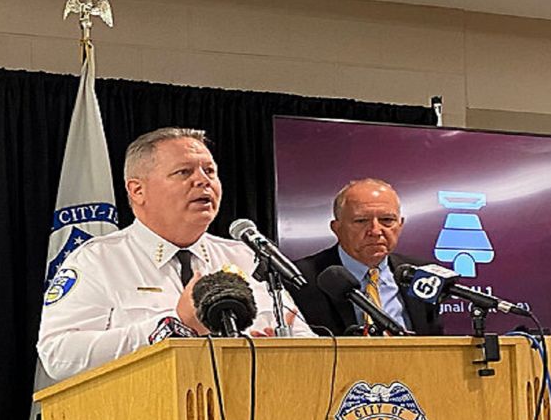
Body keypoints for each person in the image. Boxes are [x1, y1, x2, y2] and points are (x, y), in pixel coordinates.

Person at [38, 127, 313, 382]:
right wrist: (173, 326)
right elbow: (59, 355)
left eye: (210, 171)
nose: (202, 181)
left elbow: (307, 343)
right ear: (137, 190)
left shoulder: (245, 257)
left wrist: (278, 348)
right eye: (184, 172)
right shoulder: (97, 261)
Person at [291, 178, 443, 336]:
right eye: (361, 221)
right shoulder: (300, 279)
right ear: (336, 228)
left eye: (387, 220)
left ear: (400, 225)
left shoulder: (422, 275)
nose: (376, 231)